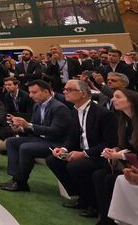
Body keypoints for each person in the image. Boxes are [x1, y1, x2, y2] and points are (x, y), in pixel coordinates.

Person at [46, 80, 117, 218]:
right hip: (84, 152)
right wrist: (64, 149)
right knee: (53, 160)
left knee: (76, 166)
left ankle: (93, 204)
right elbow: (72, 136)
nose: (65, 91)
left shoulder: (103, 114)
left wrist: (84, 153)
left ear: (83, 93)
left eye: (69, 89)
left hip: (101, 155)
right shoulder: (75, 110)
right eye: (65, 89)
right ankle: (81, 196)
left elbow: (109, 143)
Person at [0, 80, 71, 192]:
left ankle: (21, 183)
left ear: (46, 92)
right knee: (11, 141)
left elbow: (56, 132)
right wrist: (21, 128)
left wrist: (28, 125)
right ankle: (15, 178)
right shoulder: (37, 106)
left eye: (34, 92)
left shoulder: (59, 108)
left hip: (55, 143)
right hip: (40, 139)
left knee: (26, 148)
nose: (31, 95)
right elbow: (34, 128)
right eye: (30, 92)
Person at [93, 89, 138, 225]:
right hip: (131, 164)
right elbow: (125, 146)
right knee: (99, 175)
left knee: (111, 178)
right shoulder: (124, 121)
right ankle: (105, 217)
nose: (113, 99)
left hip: (133, 165)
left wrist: (120, 155)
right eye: (113, 97)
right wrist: (114, 150)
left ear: (131, 101)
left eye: (118, 97)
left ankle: (112, 219)